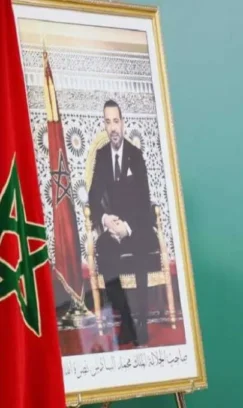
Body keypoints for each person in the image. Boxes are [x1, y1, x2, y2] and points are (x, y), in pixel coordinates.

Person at [89, 99, 159, 347]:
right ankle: (127, 321)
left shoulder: (135, 155)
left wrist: (127, 227)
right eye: (108, 122)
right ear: (105, 125)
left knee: (140, 247)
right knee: (103, 249)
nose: (113, 128)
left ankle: (141, 323)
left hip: (136, 225)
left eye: (116, 121)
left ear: (123, 123)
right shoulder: (101, 156)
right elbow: (93, 197)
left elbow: (144, 200)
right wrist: (106, 219)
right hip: (113, 226)